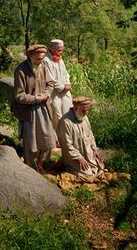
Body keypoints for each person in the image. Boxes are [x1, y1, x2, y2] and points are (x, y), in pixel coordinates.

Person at [12, 44, 57, 172]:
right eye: (38, 59)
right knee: (30, 140)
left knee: (48, 137)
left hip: (44, 107)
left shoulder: (43, 65)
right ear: (30, 56)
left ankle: (41, 163)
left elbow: (51, 83)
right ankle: (29, 166)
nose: (41, 61)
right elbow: (18, 96)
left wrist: (47, 94)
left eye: (42, 58)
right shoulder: (21, 70)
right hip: (28, 110)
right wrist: (35, 99)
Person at [57, 96, 105, 178]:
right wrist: (79, 158)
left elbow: (90, 134)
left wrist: (94, 149)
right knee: (88, 174)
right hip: (73, 157)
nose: (86, 113)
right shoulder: (65, 122)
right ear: (75, 108)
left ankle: (88, 163)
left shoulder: (84, 117)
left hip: (87, 152)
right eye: (83, 110)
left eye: (87, 110)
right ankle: (68, 166)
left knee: (99, 166)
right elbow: (67, 145)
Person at [43, 39, 73, 132]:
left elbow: (65, 73)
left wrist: (67, 83)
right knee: (57, 116)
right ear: (52, 48)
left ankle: (68, 137)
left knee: (68, 113)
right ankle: (58, 139)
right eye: (59, 49)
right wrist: (62, 88)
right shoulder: (45, 60)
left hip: (66, 91)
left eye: (62, 49)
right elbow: (49, 78)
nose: (61, 51)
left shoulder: (60, 58)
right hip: (54, 93)